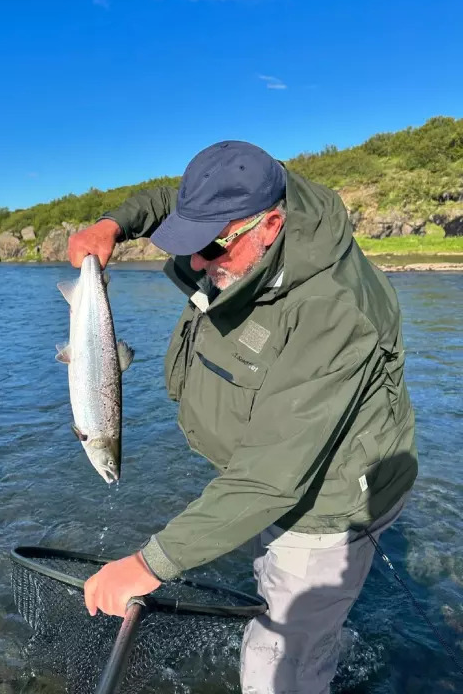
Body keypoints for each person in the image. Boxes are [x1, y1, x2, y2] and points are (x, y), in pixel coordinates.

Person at [71, 141, 418, 693]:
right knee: (279, 589)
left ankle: (310, 645)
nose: (197, 263)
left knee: (275, 669)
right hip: (274, 480)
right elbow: (172, 200)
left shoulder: (334, 313)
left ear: (271, 224)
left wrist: (149, 563)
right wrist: (114, 224)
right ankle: (323, 632)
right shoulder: (253, 202)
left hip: (326, 505)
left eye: (211, 246)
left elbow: (270, 477)